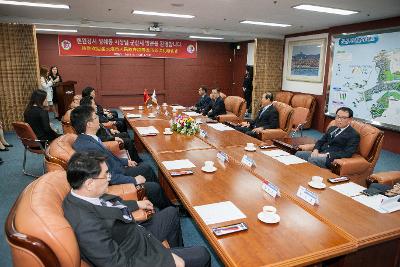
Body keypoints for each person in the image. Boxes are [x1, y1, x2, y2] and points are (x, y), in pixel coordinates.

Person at [63, 151, 211, 267]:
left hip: (135, 231)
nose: (109, 178)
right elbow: (117, 264)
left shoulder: (82, 194)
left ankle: (177, 251)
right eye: (106, 175)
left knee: (171, 213)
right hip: (136, 252)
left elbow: (109, 206)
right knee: (202, 254)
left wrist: (136, 204)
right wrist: (167, 262)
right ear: (89, 183)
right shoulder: (85, 225)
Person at [70, 105, 171, 209]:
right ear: (89, 124)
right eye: (95, 117)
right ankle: (168, 207)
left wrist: (125, 162)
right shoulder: (88, 147)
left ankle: (164, 200)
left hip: (117, 168)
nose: (98, 118)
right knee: (154, 188)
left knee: (147, 168)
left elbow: (107, 154)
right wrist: (134, 180)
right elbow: (108, 177)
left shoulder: (88, 139)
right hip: (114, 178)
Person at [80, 96, 142, 163]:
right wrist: (112, 138)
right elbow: (98, 137)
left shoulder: (92, 116)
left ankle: (134, 157)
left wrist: (110, 130)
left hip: (106, 134)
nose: (96, 106)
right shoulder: (89, 118)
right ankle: (137, 161)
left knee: (125, 134)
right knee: (127, 141)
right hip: (106, 138)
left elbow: (101, 127)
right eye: (93, 104)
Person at [295, 107, 360, 169]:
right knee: (299, 154)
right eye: (337, 116)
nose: (339, 120)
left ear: (350, 120)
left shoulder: (354, 135)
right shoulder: (332, 128)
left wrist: (327, 155)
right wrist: (316, 150)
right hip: (320, 153)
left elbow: (347, 153)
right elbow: (321, 141)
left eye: (343, 118)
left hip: (332, 159)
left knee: (313, 160)